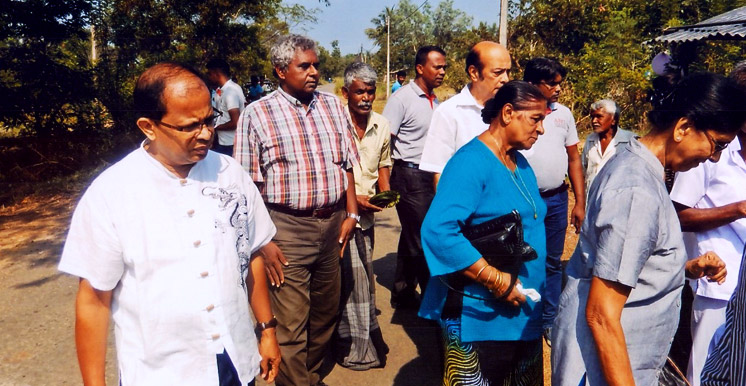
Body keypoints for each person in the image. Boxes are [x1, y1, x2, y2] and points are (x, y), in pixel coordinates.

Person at [59, 62, 281, 385]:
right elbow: (93, 301)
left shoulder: (230, 174)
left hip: (234, 359)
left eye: (209, 119)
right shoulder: (111, 194)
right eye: (190, 125)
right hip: (160, 373)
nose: (206, 133)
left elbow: (251, 257)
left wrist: (267, 329)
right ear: (149, 127)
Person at [551, 72, 746, 386]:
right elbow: (601, 314)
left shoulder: (637, 165)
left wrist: (683, 268)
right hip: (605, 367)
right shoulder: (636, 189)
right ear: (683, 128)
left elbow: (624, 263)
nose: (714, 157)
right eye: (716, 145)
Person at [234, 34, 360, 386]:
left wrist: (351, 215)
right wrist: (262, 241)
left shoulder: (333, 106)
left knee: (324, 315)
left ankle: (308, 376)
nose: (314, 72)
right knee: (289, 322)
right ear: (280, 70)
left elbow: (346, 164)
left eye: (316, 65)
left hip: (334, 224)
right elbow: (248, 189)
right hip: (286, 229)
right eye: (304, 66)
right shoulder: (256, 115)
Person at [419, 80, 548, 384]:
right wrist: (494, 279)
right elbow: (439, 230)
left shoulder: (519, 162)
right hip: (479, 319)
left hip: (521, 314)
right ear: (507, 113)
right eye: (536, 119)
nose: (541, 129)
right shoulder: (470, 163)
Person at [670, 63, 746, 386]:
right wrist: (737, 209)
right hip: (718, 286)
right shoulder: (709, 150)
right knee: (706, 375)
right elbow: (677, 215)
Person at [520, 57, 585, 341]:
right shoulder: (516, 111)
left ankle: (548, 320)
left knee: (551, 261)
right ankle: (523, 317)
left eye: (560, 83)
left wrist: (579, 201)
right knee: (521, 257)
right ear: (533, 84)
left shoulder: (563, 115)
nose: (558, 89)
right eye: (552, 83)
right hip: (523, 201)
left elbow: (574, 158)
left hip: (557, 199)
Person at [334, 61, 391, 370]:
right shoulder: (332, 123)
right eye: (359, 92)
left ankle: (355, 339)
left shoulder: (381, 125)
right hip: (337, 211)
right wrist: (353, 198)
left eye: (370, 91)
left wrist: (386, 192)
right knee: (343, 279)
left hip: (367, 215)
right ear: (346, 93)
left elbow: (384, 162)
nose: (366, 97)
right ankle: (348, 342)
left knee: (360, 278)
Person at [383, 45, 446, 309]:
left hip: (432, 175)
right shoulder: (401, 100)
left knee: (413, 233)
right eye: (437, 67)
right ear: (420, 68)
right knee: (423, 235)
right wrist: (384, 183)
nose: (442, 72)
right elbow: (384, 141)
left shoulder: (437, 101)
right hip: (408, 174)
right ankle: (433, 301)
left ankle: (403, 291)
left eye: (444, 67)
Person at [420, 41, 512, 188]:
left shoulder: (512, 111)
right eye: (498, 72)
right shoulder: (449, 112)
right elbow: (440, 173)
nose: (505, 79)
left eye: (508, 72)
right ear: (474, 73)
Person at [580, 99, 636, 193]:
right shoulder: (590, 140)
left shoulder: (630, 141)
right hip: (591, 200)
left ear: (613, 120)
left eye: (599, 117)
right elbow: (582, 170)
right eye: (592, 117)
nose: (594, 121)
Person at [206, 59, 246, 156]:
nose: (209, 77)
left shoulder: (230, 92)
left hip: (229, 143)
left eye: (210, 74)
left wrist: (216, 128)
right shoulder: (225, 89)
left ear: (216, 73)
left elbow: (235, 122)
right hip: (223, 141)